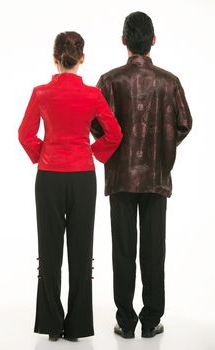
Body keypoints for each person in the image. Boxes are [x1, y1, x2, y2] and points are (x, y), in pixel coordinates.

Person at [91, 12, 192, 339]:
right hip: (156, 178)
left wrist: (113, 144)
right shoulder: (169, 81)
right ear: (153, 40)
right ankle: (151, 321)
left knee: (123, 250)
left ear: (124, 41)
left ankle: (126, 320)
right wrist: (163, 147)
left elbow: (94, 122)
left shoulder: (109, 81)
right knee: (154, 250)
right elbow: (185, 123)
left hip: (120, 177)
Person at [18, 31, 122, 342]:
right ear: (82, 58)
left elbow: (25, 134)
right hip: (82, 178)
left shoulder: (40, 93)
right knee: (81, 251)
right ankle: (76, 326)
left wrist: (43, 153)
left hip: (49, 177)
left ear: (54, 58)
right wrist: (92, 151)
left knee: (49, 251)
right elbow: (114, 134)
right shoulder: (92, 95)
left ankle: (51, 325)